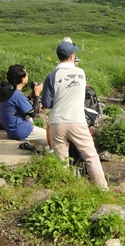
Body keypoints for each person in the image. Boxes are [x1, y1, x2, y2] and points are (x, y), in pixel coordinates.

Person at [42, 41, 108, 188]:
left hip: (57, 122)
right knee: (90, 155)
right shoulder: (81, 73)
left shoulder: (51, 76)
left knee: (61, 159)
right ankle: (102, 189)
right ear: (72, 56)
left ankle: (65, 189)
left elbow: (46, 103)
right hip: (77, 121)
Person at [0, 64, 49, 147]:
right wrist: (37, 94)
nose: (28, 75)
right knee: (53, 137)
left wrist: (31, 97)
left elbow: (18, 106)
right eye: (26, 74)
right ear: (22, 79)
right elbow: (33, 113)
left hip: (12, 129)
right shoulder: (17, 95)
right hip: (21, 131)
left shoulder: (8, 91)